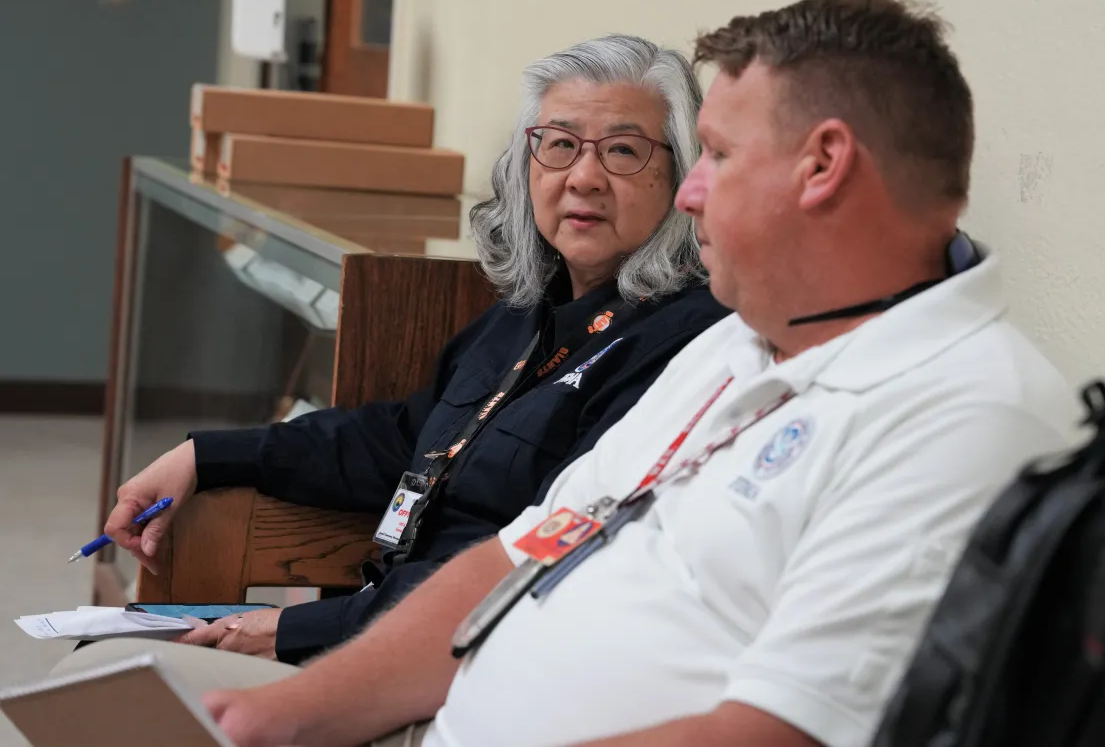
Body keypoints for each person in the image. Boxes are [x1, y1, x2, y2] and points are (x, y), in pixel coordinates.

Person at [61, 0, 1080, 747]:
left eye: (710, 155)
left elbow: (776, 735)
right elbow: (513, 556)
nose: (689, 195)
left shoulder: (963, 412)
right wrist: (276, 718)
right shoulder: (741, 341)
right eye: (557, 147)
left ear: (820, 165)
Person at [101, 34, 728, 664]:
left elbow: (539, 557)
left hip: (476, 659)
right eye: (560, 145)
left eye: (624, 150)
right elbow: (402, 438)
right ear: (525, 166)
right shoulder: (529, 307)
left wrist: (300, 631)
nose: (584, 177)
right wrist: (204, 456)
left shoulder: (683, 341)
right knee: (113, 665)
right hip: (386, 623)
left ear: (681, 176)